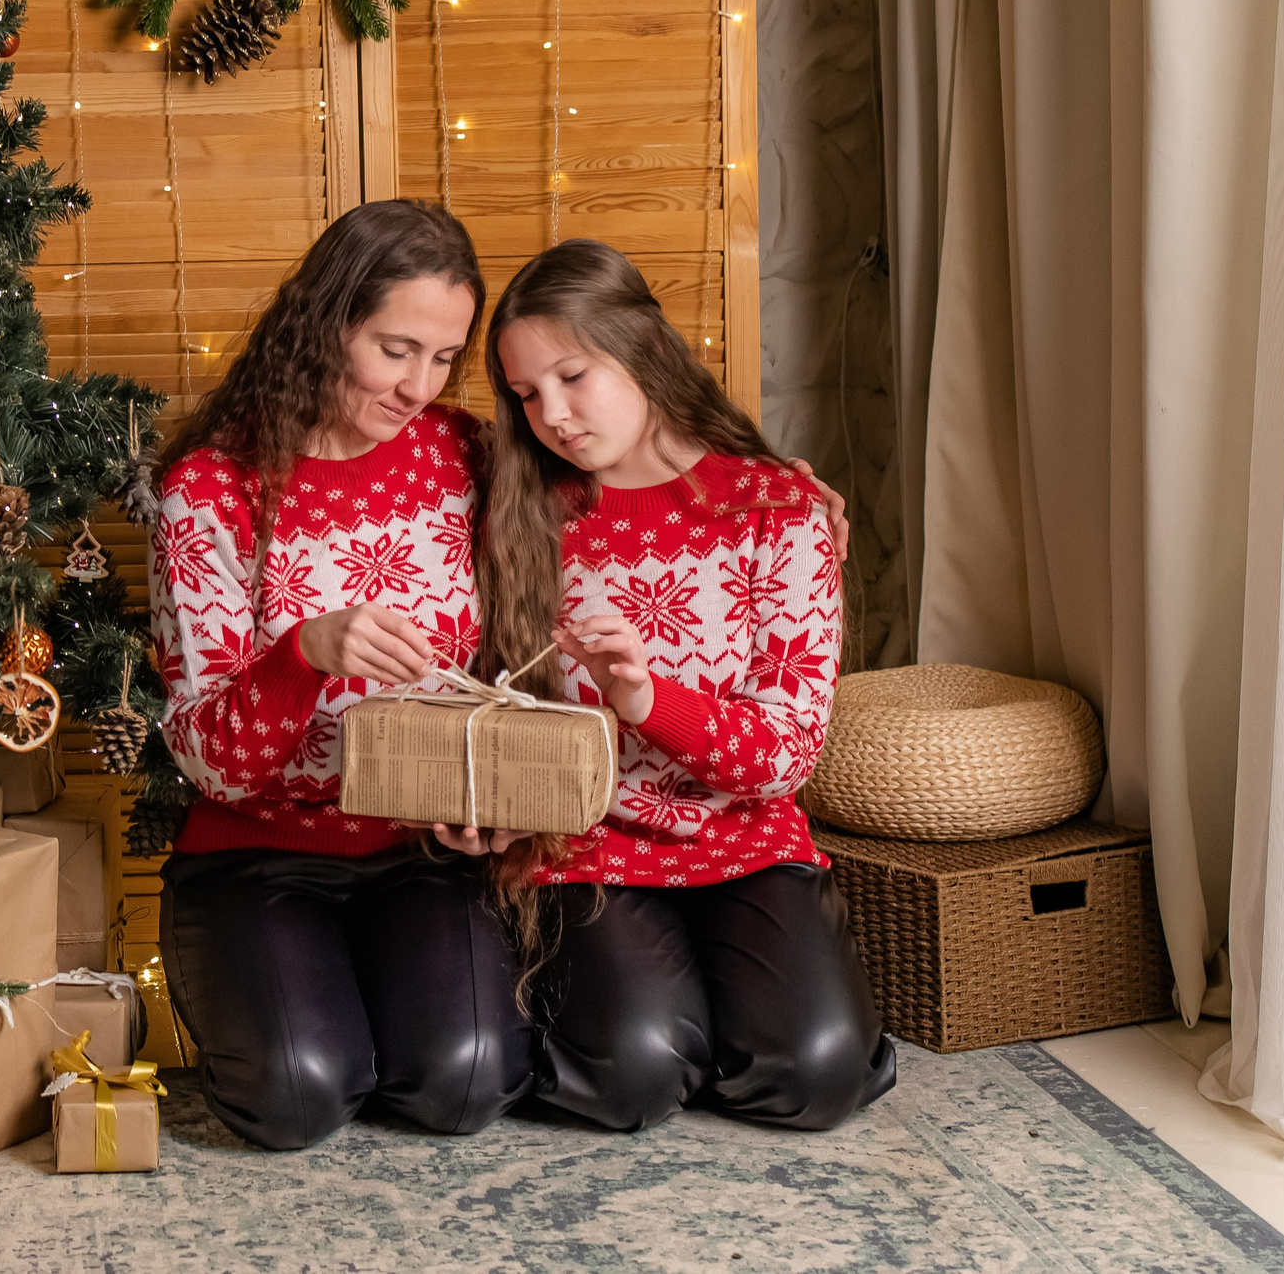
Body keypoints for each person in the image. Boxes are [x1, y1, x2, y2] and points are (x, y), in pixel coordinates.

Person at [474, 237, 896, 1131]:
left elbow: (784, 753)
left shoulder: (776, 510)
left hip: (746, 835)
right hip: (585, 842)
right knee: (629, 1079)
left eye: (572, 375)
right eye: (524, 393)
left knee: (815, 1081)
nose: (551, 412)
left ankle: (707, 1022)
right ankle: (657, 1027)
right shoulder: (521, 514)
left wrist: (644, 698)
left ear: (641, 348)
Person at [150, 198, 532, 1150]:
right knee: (294, 1102)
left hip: (424, 850)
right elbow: (208, 758)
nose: (419, 384)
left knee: (469, 1088)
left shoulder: (465, 453)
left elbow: (622, 481)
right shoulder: (211, 488)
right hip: (256, 852)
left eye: (444, 357)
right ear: (328, 323)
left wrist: (779, 485)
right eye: (396, 348)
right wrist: (304, 652)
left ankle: (372, 1003)